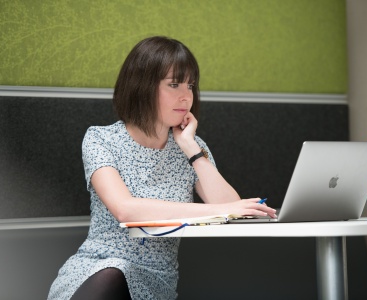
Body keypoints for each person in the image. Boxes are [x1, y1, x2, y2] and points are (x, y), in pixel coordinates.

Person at [47, 36, 276, 300]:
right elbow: (125, 209)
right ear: (142, 85)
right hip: (98, 271)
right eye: (174, 84)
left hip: (158, 279)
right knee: (114, 272)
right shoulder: (101, 138)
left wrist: (191, 149)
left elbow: (232, 210)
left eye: (190, 85)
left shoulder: (193, 146)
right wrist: (218, 211)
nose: (186, 96)